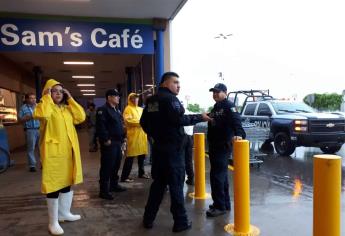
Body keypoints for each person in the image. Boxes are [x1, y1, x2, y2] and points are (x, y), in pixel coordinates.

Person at [140, 72, 211, 232]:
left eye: (179, 83)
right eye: (175, 82)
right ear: (165, 83)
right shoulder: (170, 99)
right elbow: (179, 120)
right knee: (176, 187)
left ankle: (148, 219)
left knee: (158, 185)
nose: (178, 86)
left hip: (159, 150)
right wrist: (200, 117)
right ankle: (181, 222)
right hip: (173, 152)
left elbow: (143, 122)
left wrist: (154, 136)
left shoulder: (152, 100)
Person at [33, 79, 85, 235]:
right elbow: (41, 114)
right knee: (53, 186)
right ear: (48, 92)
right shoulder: (45, 108)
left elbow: (81, 116)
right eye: (54, 90)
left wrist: (70, 98)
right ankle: (53, 222)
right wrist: (46, 97)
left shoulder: (66, 109)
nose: (58, 93)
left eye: (61, 91)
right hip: (53, 155)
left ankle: (64, 213)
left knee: (67, 183)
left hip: (68, 154)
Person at [206, 83, 246, 217]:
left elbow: (236, 121)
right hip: (214, 145)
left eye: (218, 92)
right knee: (220, 176)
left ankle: (219, 206)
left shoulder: (229, 105)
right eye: (213, 92)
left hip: (222, 145)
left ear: (225, 92)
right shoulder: (216, 107)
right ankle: (224, 203)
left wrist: (239, 134)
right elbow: (215, 121)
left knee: (217, 176)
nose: (215, 94)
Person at [96, 89, 126, 200]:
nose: (118, 98)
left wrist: (123, 138)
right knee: (107, 166)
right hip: (110, 143)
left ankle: (113, 185)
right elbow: (101, 126)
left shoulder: (116, 110)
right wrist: (105, 139)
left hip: (118, 142)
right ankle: (103, 190)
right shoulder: (103, 110)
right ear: (109, 97)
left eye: (118, 96)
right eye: (116, 96)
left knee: (116, 165)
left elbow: (120, 125)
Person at [120, 93, 149, 182]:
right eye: (133, 99)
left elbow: (146, 118)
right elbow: (129, 121)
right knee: (130, 157)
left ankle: (142, 173)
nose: (135, 101)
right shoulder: (128, 109)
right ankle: (124, 177)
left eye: (136, 99)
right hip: (133, 136)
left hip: (142, 136)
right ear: (130, 100)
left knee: (142, 157)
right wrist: (142, 122)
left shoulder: (141, 109)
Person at [19, 93, 40, 172]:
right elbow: (20, 119)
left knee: (42, 148)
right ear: (27, 99)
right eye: (31, 98)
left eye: (34, 98)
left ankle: (43, 163)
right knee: (31, 148)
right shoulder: (23, 108)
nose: (33, 99)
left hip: (40, 129)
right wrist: (26, 118)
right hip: (30, 130)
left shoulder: (39, 106)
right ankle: (32, 165)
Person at [182, 107, 194, 186]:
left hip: (181, 138)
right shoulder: (190, 113)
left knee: (180, 159)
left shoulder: (179, 114)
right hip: (190, 138)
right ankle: (191, 178)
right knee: (188, 160)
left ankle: (181, 179)